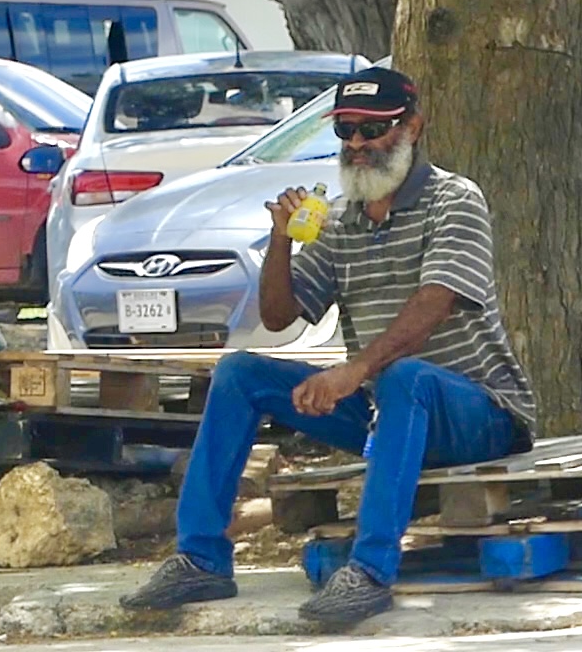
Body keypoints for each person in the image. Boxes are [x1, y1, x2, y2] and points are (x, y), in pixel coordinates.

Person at [121, 66, 536, 628]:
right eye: (347, 132)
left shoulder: (454, 200)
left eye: (373, 129)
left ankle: (369, 572)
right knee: (240, 373)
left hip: (480, 415)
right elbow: (277, 316)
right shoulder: (339, 220)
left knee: (403, 376)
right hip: (385, 410)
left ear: (412, 126)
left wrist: (351, 370)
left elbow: (434, 305)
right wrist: (279, 240)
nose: (358, 146)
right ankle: (201, 558)